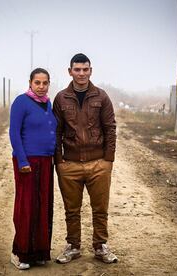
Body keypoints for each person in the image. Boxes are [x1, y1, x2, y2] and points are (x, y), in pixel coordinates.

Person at [53, 53, 118, 264]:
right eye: (77, 69)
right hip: (69, 164)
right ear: (70, 71)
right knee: (72, 210)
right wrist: (59, 161)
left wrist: (108, 159)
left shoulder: (101, 96)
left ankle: (100, 247)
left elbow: (110, 128)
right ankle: (73, 247)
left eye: (85, 69)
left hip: (99, 163)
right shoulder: (61, 98)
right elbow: (56, 131)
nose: (82, 73)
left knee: (100, 208)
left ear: (91, 70)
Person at [9, 68, 57, 270]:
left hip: (46, 161)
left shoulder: (48, 103)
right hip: (27, 161)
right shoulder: (21, 102)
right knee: (26, 206)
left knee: (43, 205)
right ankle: (20, 253)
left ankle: (38, 252)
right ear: (30, 82)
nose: (41, 86)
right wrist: (22, 160)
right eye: (37, 82)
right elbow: (14, 132)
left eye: (45, 83)